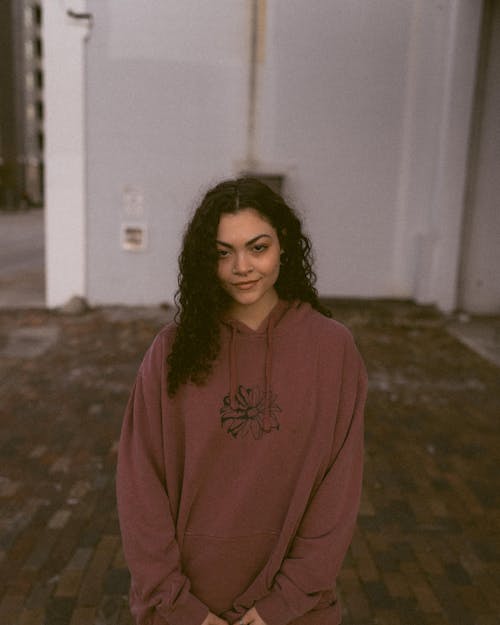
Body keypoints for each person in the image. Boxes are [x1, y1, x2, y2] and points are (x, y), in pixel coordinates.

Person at [116, 177, 367, 625]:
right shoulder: (172, 351)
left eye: (257, 247)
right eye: (223, 252)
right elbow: (140, 488)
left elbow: (338, 490)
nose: (242, 267)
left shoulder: (332, 349)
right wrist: (182, 607)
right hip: (184, 609)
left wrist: (281, 604)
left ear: (284, 244)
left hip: (296, 610)